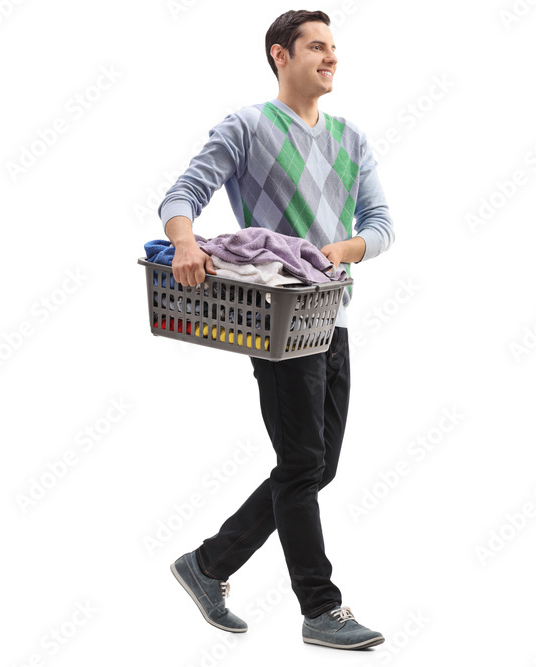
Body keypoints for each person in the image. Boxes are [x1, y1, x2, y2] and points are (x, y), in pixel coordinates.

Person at [159, 9, 395, 650]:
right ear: (279, 55)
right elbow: (181, 196)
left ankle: (208, 565)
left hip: (333, 315)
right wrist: (184, 244)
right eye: (316, 46)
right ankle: (321, 609)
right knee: (301, 464)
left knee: (316, 467)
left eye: (334, 48)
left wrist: (340, 253)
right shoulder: (247, 127)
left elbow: (381, 226)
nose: (330, 57)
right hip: (280, 320)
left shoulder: (352, 140)